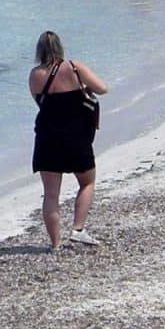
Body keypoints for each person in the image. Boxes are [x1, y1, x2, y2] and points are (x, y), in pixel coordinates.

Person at [28, 30, 109, 250]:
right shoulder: (74, 67)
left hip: (46, 138)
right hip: (76, 136)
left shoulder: (34, 75)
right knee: (87, 182)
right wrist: (82, 88)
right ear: (60, 48)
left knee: (51, 194)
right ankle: (78, 229)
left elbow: (41, 103)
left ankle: (54, 244)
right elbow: (103, 89)